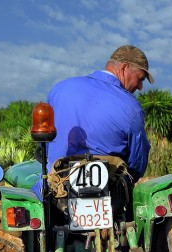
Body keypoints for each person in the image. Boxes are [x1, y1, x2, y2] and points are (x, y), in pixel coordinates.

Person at [34, 45, 152, 195]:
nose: (140, 87)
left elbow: (45, 143)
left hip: (57, 190)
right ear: (124, 68)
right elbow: (137, 161)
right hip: (111, 194)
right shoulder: (132, 106)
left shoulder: (59, 89)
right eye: (140, 79)